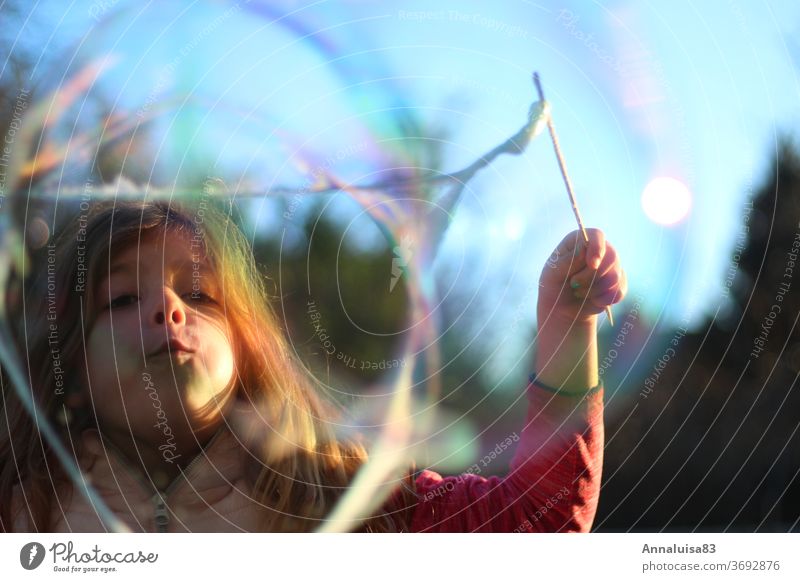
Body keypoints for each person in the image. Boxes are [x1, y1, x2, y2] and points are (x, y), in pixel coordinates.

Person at [0, 198, 626, 532]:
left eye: (197, 294)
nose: (167, 308)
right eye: (120, 299)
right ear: (70, 369)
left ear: (245, 350)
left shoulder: (346, 502)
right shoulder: (19, 513)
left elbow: (535, 524)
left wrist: (567, 327)